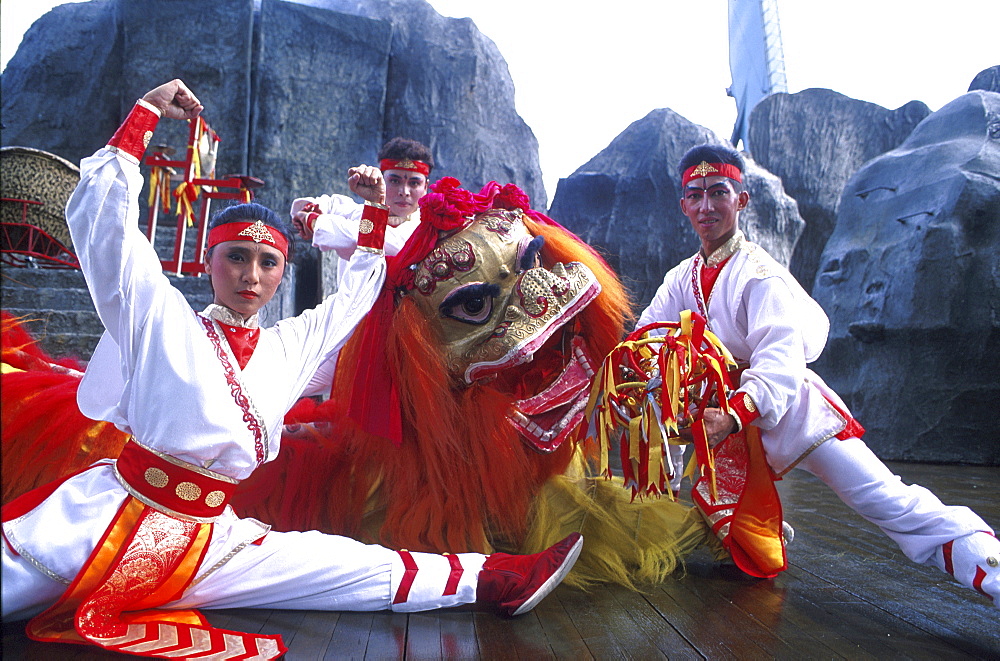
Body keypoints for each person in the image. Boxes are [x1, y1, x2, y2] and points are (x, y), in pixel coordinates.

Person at [0, 80, 582, 659]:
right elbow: (106, 232)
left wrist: (377, 210)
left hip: (212, 541)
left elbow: (355, 296)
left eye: (267, 262)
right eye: (236, 257)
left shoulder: (287, 345)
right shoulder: (158, 317)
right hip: (101, 523)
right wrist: (145, 116)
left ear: (281, 274)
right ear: (210, 262)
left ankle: (498, 577)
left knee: (347, 566)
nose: (251, 275)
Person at [636, 143, 998, 606]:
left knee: (885, 499)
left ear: (741, 200)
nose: (707, 206)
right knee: (691, 479)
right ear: (683, 205)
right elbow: (648, 336)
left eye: (718, 192)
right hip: (725, 425)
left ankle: (989, 566)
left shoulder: (760, 275)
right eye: (696, 195)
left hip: (792, 415)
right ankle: (758, 532)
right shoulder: (679, 280)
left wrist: (733, 412)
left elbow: (781, 359)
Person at [290, 137, 434, 288]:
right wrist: (310, 210)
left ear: (426, 187)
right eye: (395, 181)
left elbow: (371, 238)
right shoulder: (358, 213)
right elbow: (325, 204)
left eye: (414, 183)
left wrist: (316, 222)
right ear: (381, 181)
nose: (404, 192)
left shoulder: (427, 229)